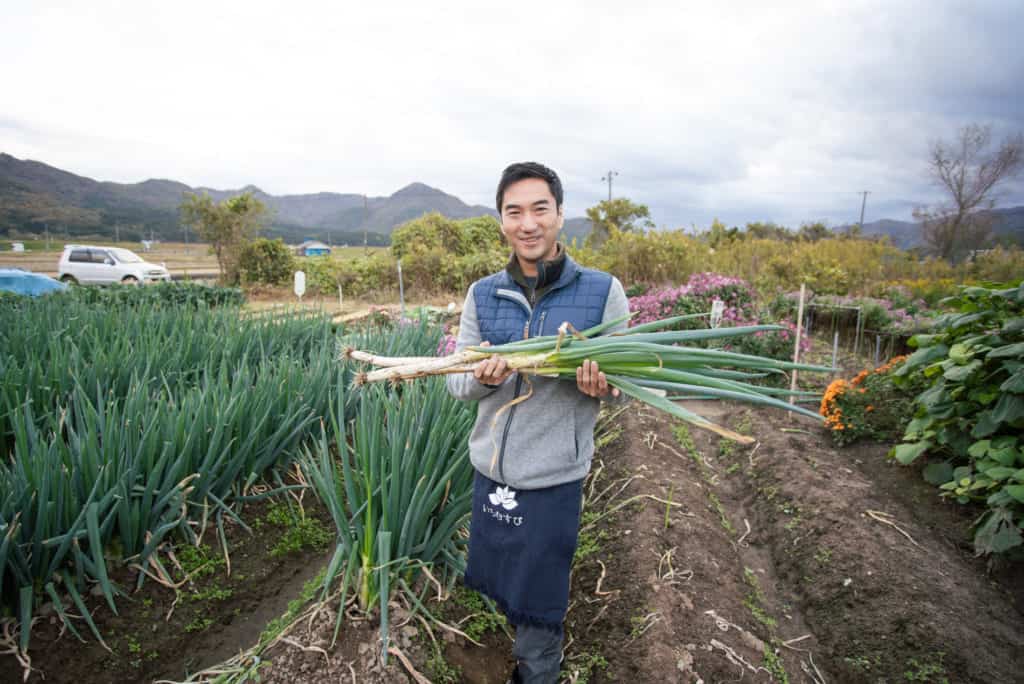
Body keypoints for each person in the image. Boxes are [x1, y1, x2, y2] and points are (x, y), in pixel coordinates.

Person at [446, 162, 630, 683]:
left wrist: (604, 384)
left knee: (541, 595)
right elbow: (457, 385)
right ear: (501, 221)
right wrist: (482, 377)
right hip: (493, 472)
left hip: (552, 477)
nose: (528, 223)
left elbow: (630, 388)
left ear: (560, 216)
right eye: (514, 211)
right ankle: (506, 656)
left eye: (539, 209)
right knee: (504, 580)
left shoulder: (600, 292)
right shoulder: (484, 295)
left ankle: (538, 674)